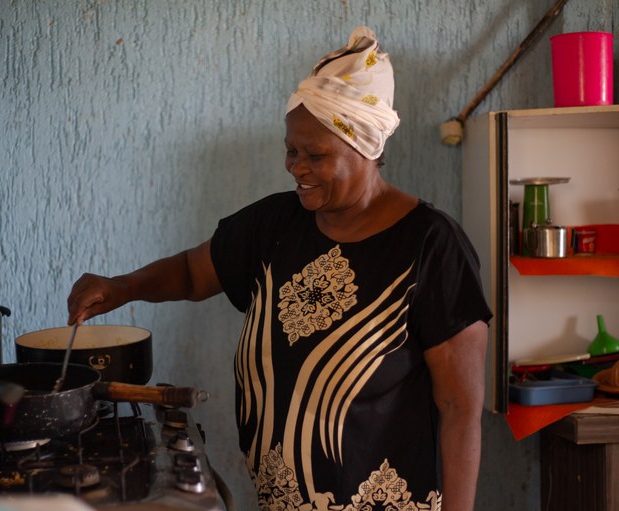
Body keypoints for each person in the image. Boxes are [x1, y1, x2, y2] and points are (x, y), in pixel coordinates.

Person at [68, 25, 491, 511]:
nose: (296, 167)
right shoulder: (273, 225)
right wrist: (120, 287)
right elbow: (191, 272)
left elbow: (460, 409)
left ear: (366, 149)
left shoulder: (431, 245)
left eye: (316, 155)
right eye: (291, 150)